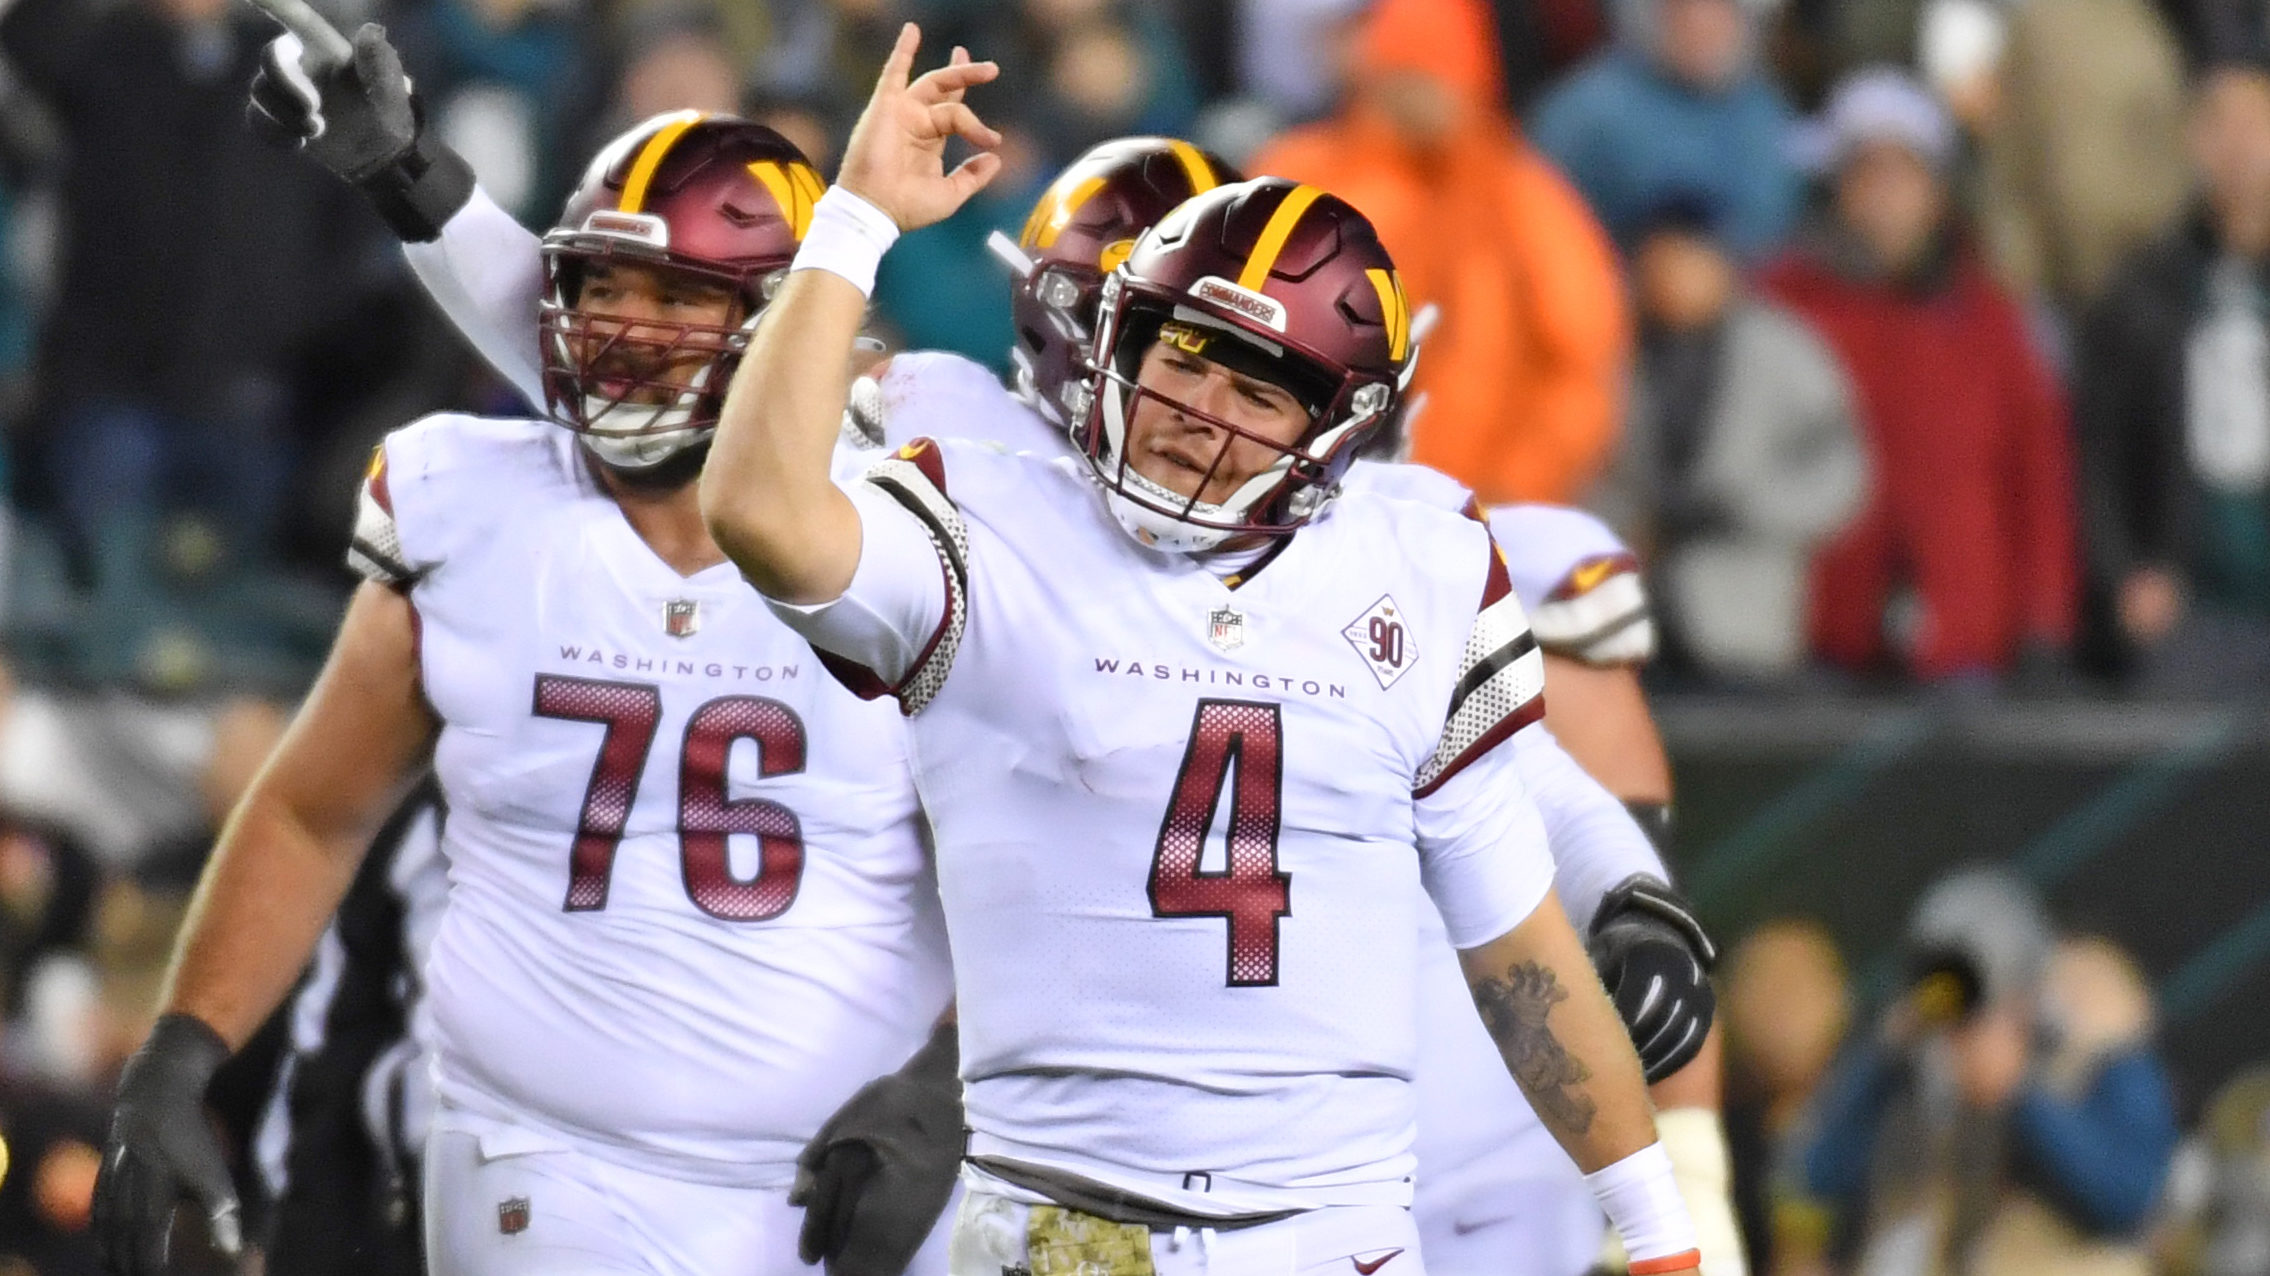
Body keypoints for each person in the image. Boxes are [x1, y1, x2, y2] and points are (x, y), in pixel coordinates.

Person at [380, 119, 1733, 1274]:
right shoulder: (963, 481)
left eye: (1255, 383)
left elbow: (1496, 807)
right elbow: (668, 386)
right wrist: (430, 201)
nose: (1189, 406)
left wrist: (1624, 897)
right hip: (1020, 1131)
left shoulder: (1401, 543)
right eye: (1158, 344)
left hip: (1330, 1178)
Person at [702, 24, 1704, 1276]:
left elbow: (1519, 952)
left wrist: (1665, 1235)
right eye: (1181, 356)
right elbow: (758, 510)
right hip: (1059, 1231)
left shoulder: (1419, 563)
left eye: (1257, 388)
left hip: (1330, 1238)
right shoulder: (988, 511)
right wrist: (852, 222)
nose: (1197, 414)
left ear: (1334, 430)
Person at [86, 99, 956, 1276]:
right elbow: (311, 808)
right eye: (601, 287)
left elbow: (1043, 871)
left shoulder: (914, 530)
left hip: (850, 1177)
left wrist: (951, 1087)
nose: (625, 329)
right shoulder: (469, 498)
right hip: (541, 1160)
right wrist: (183, 1051)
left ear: (776, 318)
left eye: (677, 296)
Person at [1761, 69, 2077, 683]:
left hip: (1963, 641)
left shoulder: (1992, 319)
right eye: (1866, 172)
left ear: (1938, 189)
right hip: (1814, 637)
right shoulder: (1784, 305)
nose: (1885, 193)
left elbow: (2037, 474)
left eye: (1903, 173)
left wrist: (2044, 617)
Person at [1253, 0, 1629, 508]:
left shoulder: (1527, 203)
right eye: (1412, 69)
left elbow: (1583, 367)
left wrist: (1513, 490)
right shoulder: (1305, 174)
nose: (1428, 92)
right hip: (1304, 504)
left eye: (1443, 71)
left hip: (1471, 514)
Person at [1795, 872, 2177, 1276]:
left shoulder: (2091, 1053)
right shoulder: (1910, 1063)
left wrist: (2018, 1092)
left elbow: (2127, 1199)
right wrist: (1885, 1061)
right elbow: (1816, 1180)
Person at [1590, 196, 1868, 683]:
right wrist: (1622, 527)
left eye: (1690, 258)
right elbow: (1578, 467)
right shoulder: (1607, 352)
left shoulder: (1781, 351)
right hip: (1624, 621)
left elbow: (1841, 475)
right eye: (1660, 260)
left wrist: (1743, 509)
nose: (1675, 276)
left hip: (1744, 618)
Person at [2075, 58, 2270, 695]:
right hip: (2191, 611)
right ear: (2194, 143)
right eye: (2224, 126)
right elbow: (2096, 449)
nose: (2242, 150)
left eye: (2258, 125)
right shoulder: (2144, 289)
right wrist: (2124, 571)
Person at [1527, 0, 1801, 262]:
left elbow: (1776, 226)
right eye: (1683, 11)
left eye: (1719, 9)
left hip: (1753, 294)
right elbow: (1534, 229)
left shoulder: (1764, 110)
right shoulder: (1584, 112)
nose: (1701, 25)